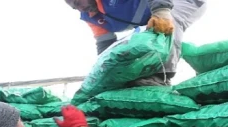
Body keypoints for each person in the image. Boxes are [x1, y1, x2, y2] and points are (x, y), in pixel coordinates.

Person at [64, 0, 207, 86]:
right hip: (151, 15)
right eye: (74, 7)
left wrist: (161, 9)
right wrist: (105, 72)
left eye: (78, 2)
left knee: (165, 22)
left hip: (180, 2)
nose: (79, 8)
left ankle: (161, 76)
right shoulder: (91, 17)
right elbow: (105, 46)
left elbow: (161, 13)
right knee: (128, 47)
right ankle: (138, 77)